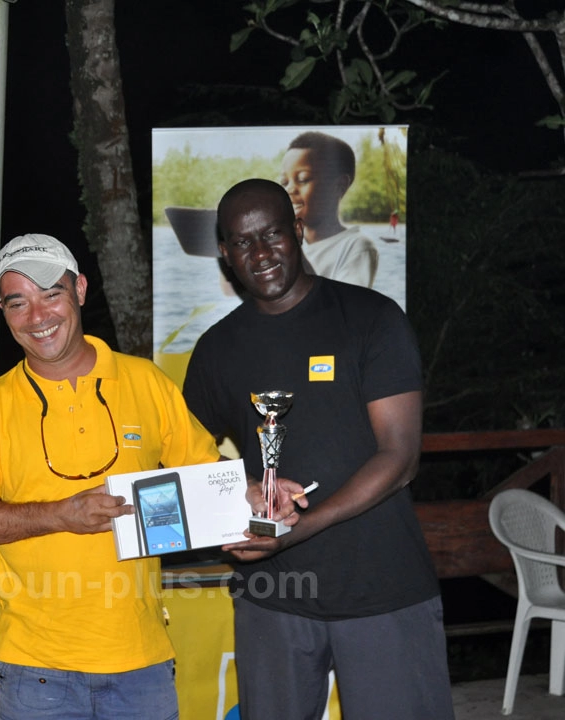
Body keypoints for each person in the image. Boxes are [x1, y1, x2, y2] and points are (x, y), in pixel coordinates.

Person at [182, 179, 453, 719]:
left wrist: (297, 529)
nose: (260, 253)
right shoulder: (217, 349)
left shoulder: (372, 319)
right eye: (241, 242)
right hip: (270, 597)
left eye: (272, 234)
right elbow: (183, 452)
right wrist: (240, 487)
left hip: (382, 588)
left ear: (298, 231)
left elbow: (399, 458)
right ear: (224, 253)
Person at [0, 233, 222, 720]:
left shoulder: (147, 382)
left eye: (51, 294)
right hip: (35, 669)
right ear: (3, 314)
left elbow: (210, 483)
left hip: (141, 661)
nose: (38, 316)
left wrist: (260, 496)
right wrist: (63, 514)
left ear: (80, 290)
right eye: (18, 303)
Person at [279, 131, 379, 288]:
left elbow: (342, 307)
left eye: (303, 179)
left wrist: (295, 251)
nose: (290, 189)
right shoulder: (284, 243)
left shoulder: (357, 247)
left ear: (339, 185)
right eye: (284, 182)